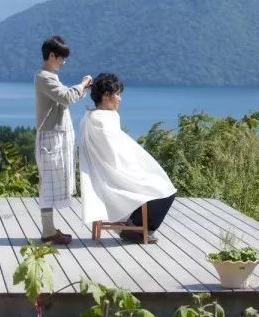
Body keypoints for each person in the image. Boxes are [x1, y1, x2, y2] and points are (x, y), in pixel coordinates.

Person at [78, 73, 177, 243]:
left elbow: (112, 151)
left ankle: (134, 226)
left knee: (160, 185)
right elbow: (113, 154)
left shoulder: (92, 116)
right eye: (117, 94)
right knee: (165, 190)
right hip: (113, 176)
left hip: (104, 173)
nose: (120, 99)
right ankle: (137, 228)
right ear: (105, 95)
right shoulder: (103, 120)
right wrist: (137, 168)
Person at [34, 35, 92, 245]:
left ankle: (49, 230)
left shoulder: (50, 77)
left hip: (54, 137)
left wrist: (82, 88)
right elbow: (66, 97)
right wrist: (83, 84)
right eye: (61, 58)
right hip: (50, 138)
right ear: (51, 55)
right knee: (48, 185)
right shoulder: (44, 77)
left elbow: (65, 97)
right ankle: (48, 231)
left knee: (50, 184)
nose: (64, 62)